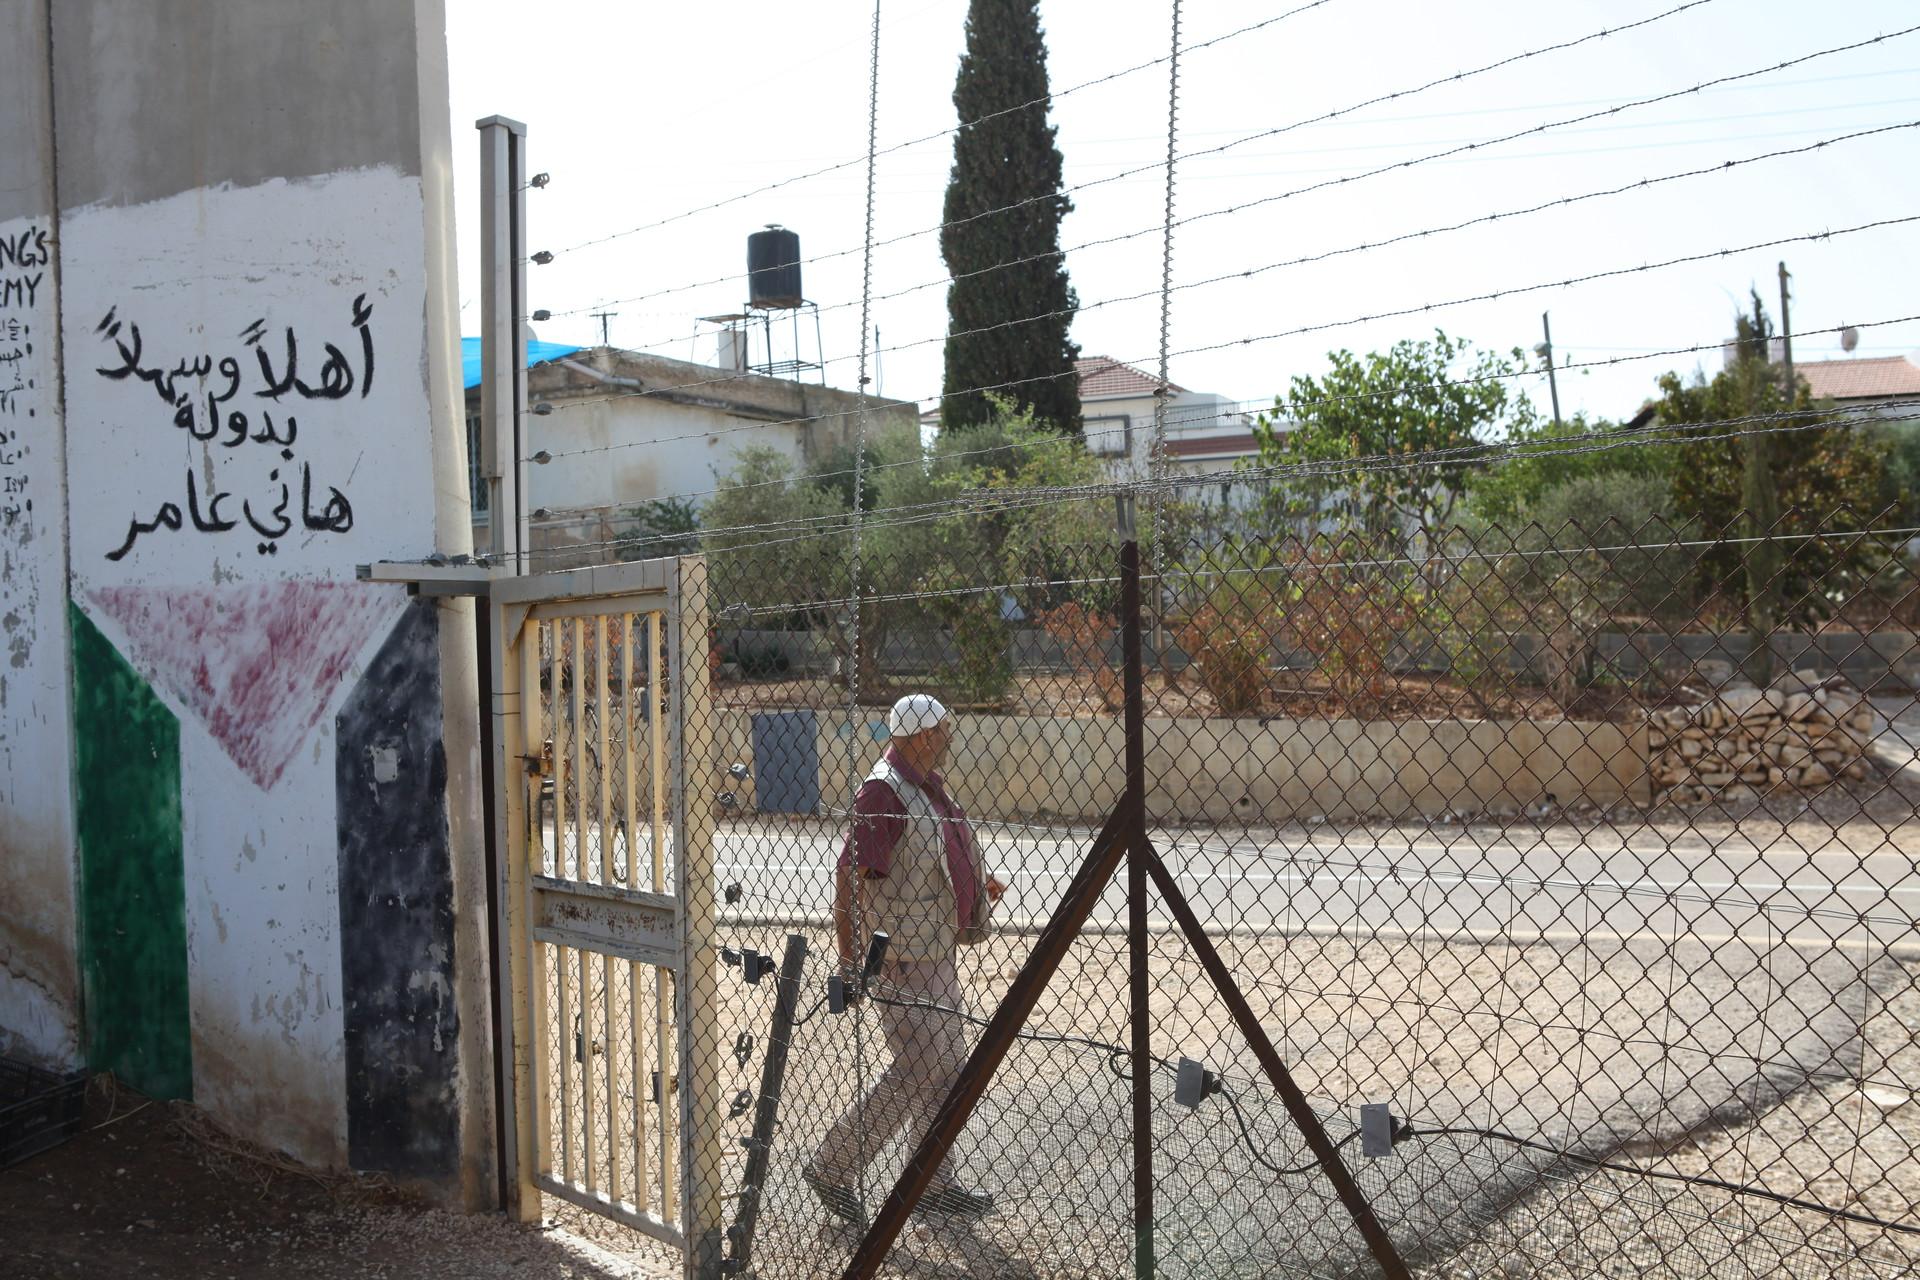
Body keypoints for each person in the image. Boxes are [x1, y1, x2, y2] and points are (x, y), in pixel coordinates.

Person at [804, 693, 1006, 1223]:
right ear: (921, 737)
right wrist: (851, 965)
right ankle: (832, 1166)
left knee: (945, 1071)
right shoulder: (881, 793)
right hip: (901, 961)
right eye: (942, 729)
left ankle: (932, 1183)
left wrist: (973, 890)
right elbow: (851, 881)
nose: (948, 737)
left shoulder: (924, 788)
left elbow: (926, 862)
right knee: (921, 1069)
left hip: (934, 953)